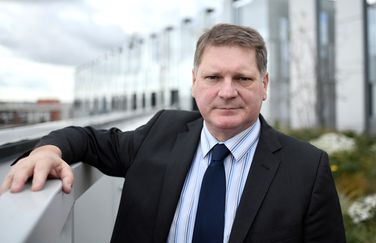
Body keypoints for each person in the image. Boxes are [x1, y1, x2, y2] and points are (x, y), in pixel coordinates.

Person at [1, 23, 346, 243]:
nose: (227, 91)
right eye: (213, 78)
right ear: (194, 82)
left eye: (242, 78)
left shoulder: (307, 169)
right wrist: (46, 152)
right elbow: (89, 139)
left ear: (264, 85)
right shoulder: (161, 133)